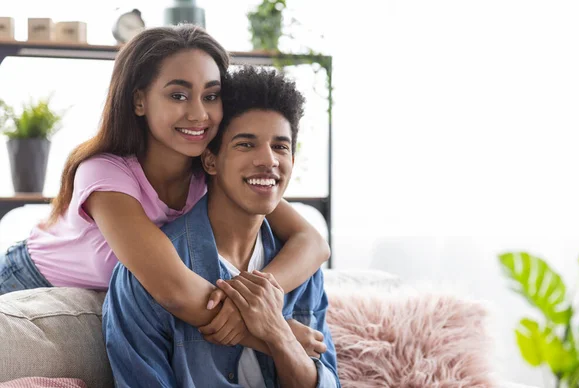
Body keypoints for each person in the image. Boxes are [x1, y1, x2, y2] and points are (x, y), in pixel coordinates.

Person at [0, 24, 329, 351]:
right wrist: (275, 335)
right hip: (26, 282)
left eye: (211, 96)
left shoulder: (210, 169)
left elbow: (313, 243)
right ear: (139, 100)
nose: (199, 113)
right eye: (178, 95)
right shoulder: (103, 175)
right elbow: (174, 290)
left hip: (125, 305)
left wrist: (263, 295)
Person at [103, 66, 339, 388]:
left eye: (280, 147)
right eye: (246, 144)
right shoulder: (144, 279)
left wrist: (278, 334)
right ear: (211, 160)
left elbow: (327, 381)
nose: (268, 160)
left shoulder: (303, 269)